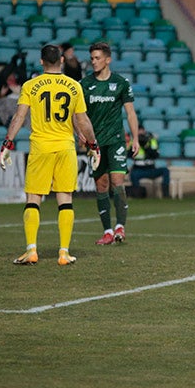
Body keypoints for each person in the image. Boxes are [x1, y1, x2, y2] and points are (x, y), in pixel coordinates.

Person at [0, 44, 99, 266]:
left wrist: (7, 142)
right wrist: (93, 145)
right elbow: (82, 121)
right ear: (62, 61)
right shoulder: (74, 86)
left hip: (41, 148)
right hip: (65, 147)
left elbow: (18, 116)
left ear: (41, 61)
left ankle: (31, 250)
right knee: (65, 199)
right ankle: (64, 253)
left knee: (33, 199)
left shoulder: (31, 86)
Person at [81, 42, 139, 246]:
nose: (94, 62)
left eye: (97, 58)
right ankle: (107, 231)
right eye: (92, 58)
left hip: (116, 140)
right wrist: (80, 134)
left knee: (117, 181)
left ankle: (120, 227)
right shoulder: (85, 84)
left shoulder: (121, 83)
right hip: (95, 143)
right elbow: (78, 114)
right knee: (101, 185)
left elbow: (130, 112)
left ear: (108, 59)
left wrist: (135, 138)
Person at [130, 124, 171, 199]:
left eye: (141, 132)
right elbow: (129, 154)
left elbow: (156, 155)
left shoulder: (152, 140)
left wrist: (146, 146)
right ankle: (138, 195)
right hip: (138, 169)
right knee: (133, 175)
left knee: (165, 170)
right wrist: (137, 145)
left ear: (144, 131)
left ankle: (166, 194)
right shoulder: (133, 141)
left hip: (151, 169)